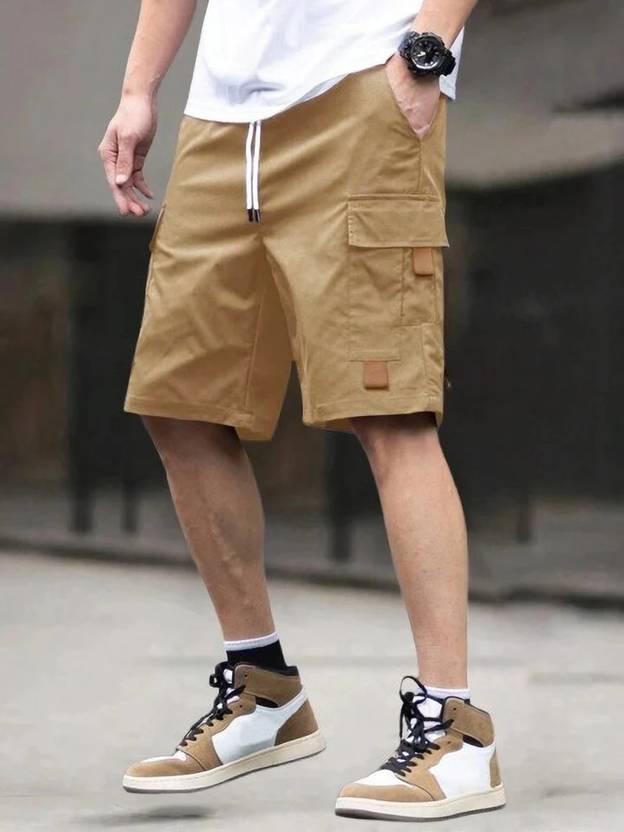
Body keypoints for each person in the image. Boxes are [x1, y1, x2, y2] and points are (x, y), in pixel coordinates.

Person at [99, 0, 505, 821]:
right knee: (179, 401)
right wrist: (139, 88)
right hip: (221, 120)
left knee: (388, 413)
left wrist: (427, 50)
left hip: (359, 92)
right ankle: (264, 692)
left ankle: (456, 731)